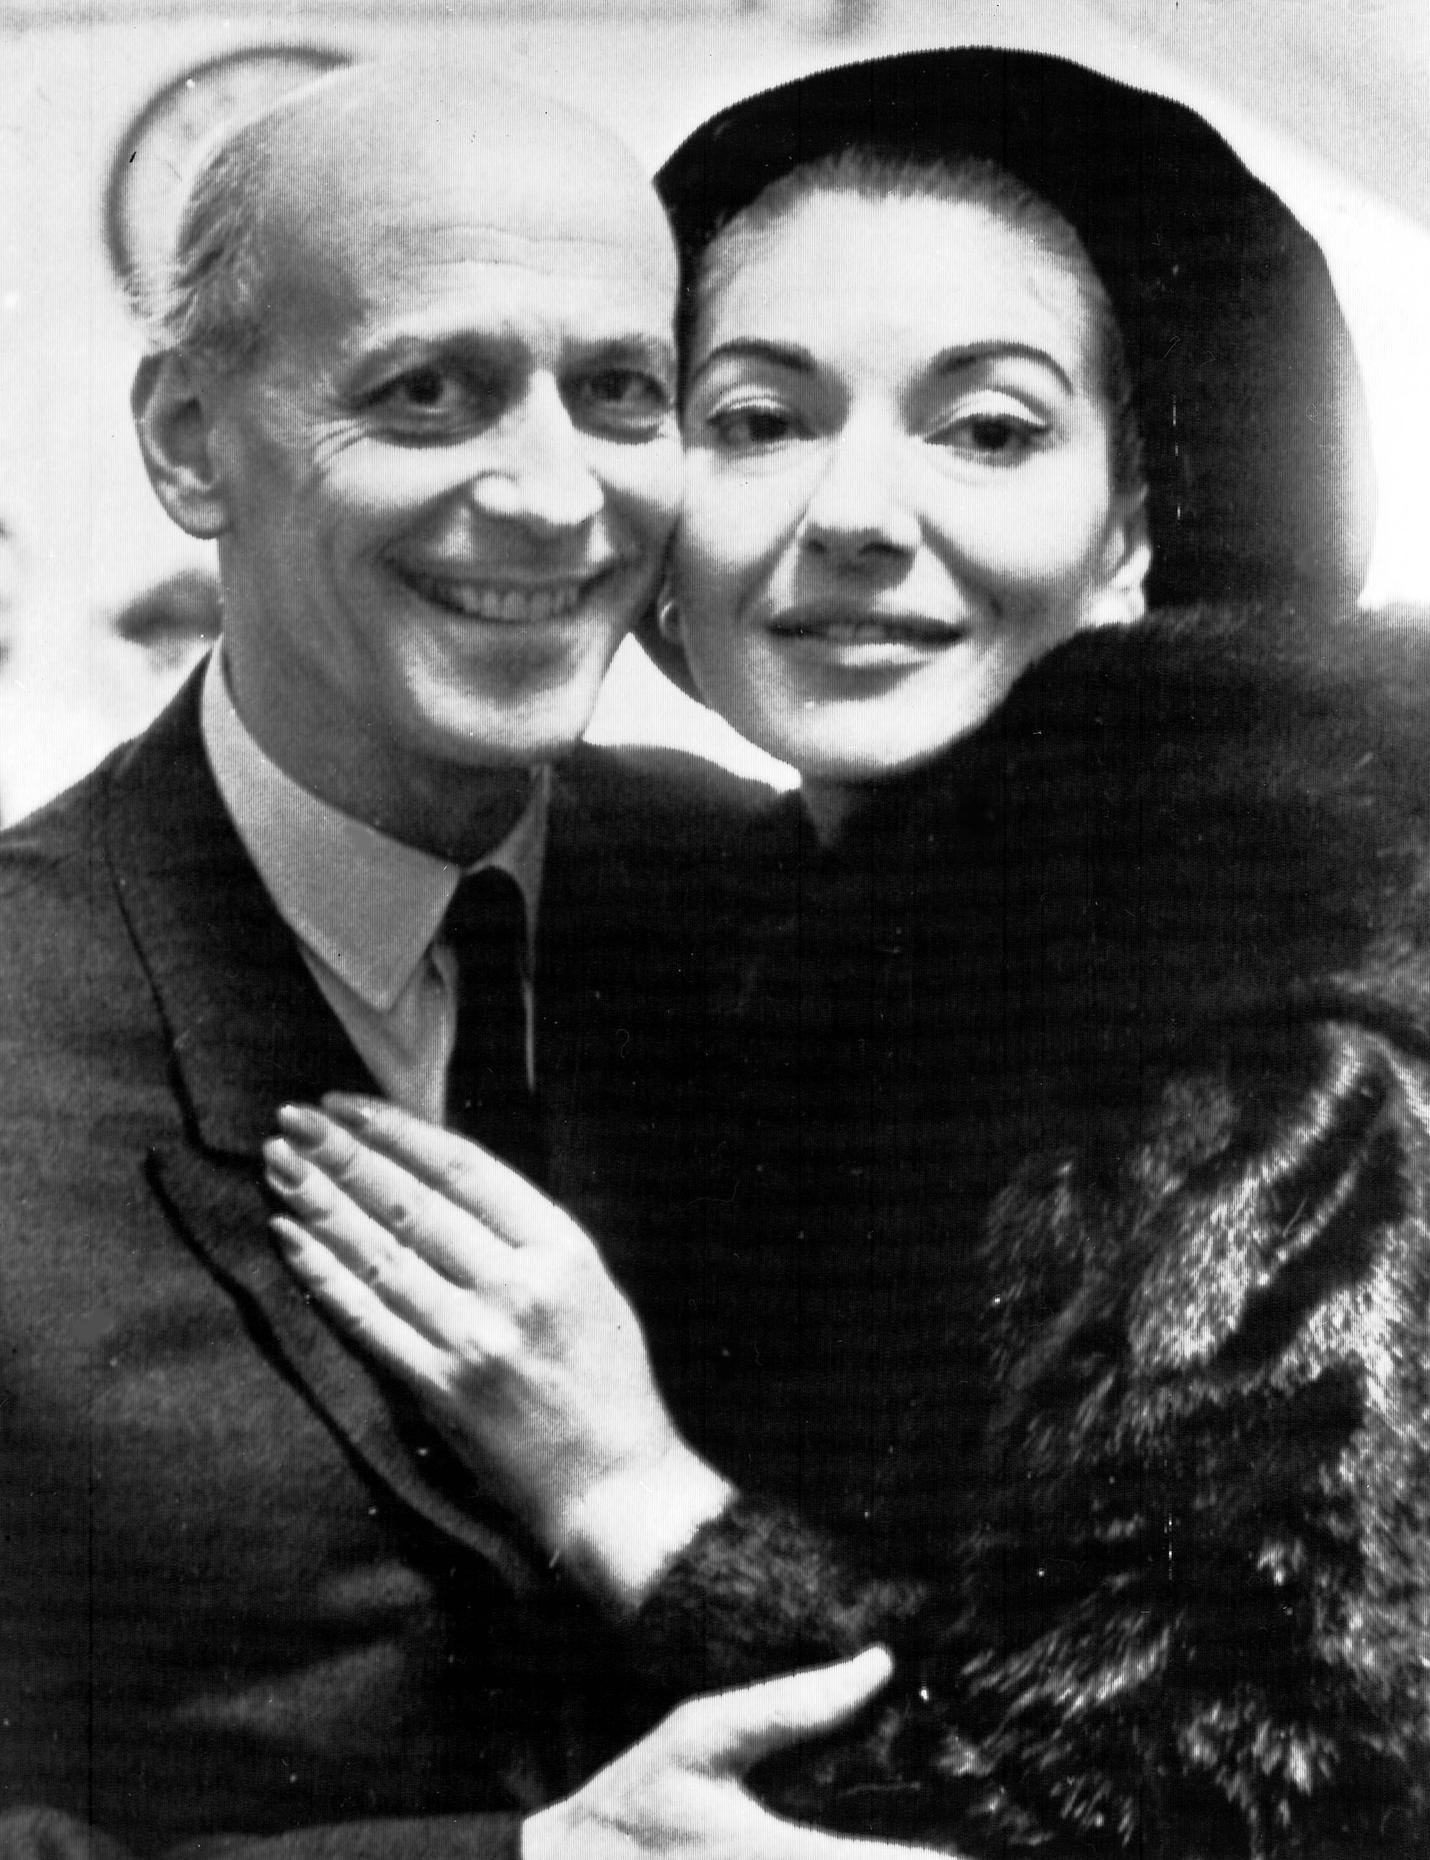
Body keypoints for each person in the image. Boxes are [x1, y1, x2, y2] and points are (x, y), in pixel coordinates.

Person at [264, 50, 1430, 1858]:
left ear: (1135, 520)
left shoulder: (1277, 1051)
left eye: (988, 430)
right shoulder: (742, 926)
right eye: (755, 420)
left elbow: (1222, 1810)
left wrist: (628, 1494)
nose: (856, 515)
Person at [0, 56, 943, 1860]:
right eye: (427, 393)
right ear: (190, 441)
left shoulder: (769, 899)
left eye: (620, 393)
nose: (552, 498)